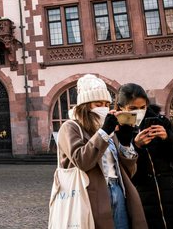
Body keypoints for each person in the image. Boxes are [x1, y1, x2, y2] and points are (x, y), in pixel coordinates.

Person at [57, 74, 147, 229]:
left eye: (107, 103)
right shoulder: (71, 127)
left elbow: (129, 172)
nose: (104, 107)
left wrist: (125, 144)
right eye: (98, 103)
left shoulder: (110, 128)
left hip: (119, 190)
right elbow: (82, 161)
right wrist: (104, 132)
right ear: (85, 106)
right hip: (90, 194)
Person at [117, 83, 173, 228]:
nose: (139, 112)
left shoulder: (160, 122)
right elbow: (123, 173)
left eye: (142, 107)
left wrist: (168, 138)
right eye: (132, 109)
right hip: (140, 201)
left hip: (172, 198)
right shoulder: (117, 129)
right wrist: (136, 146)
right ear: (121, 108)